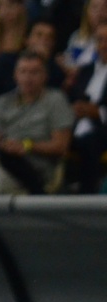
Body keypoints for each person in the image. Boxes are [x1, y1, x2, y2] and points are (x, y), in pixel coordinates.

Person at [0, 50, 72, 194]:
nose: (28, 78)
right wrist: (5, 145)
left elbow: (61, 146)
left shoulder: (56, 100)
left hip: (38, 168)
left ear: (45, 76)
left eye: (34, 72)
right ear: (15, 75)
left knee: (1, 175)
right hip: (3, 160)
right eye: (23, 72)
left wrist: (26, 146)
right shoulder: (2, 102)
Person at [0, 19, 64, 118]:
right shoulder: (5, 61)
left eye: (49, 37)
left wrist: (45, 62)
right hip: (1, 117)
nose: (44, 40)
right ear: (26, 39)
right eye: (39, 35)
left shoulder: (55, 70)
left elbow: (49, 95)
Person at [68, 23, 107, 193]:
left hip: (102, 129)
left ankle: (87, 194)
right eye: (100, 40)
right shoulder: (85, 71)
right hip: (76, 124)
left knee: (89, 141)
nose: (104, 45)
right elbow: (72, 98)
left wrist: (99, 113)